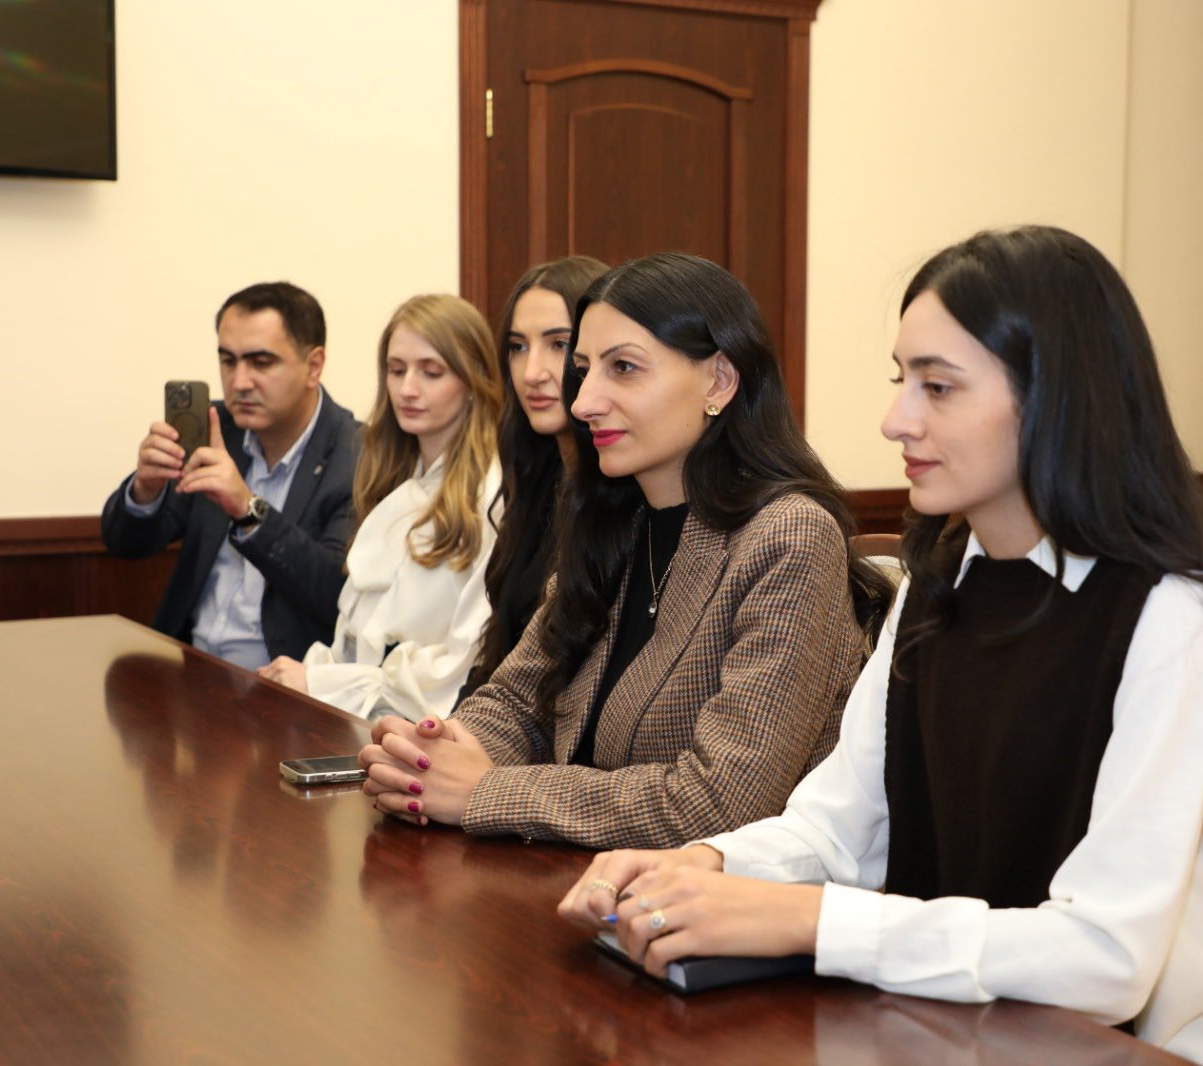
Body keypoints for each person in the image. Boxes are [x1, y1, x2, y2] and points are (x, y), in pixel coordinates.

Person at [557, 227, 1203, 1064]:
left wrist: (815, 920)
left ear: (1056, 398)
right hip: (973, 1032)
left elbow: (1107, 958)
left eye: (938, 387)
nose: (896, 420)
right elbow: (840, 830)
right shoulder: (939, 582)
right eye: (902, 381)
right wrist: (697, 863)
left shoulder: (1174, 611)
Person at [358, 253, 894, 849]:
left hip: (708, 898)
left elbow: (720, 802)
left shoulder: (788, 535)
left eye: (624, 368)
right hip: (580, 874)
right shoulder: (619, 518)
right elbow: (519, 699)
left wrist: (485, 791)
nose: (583, 401)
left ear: (719, 381)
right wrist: (432, 756)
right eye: (584, 369)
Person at [257, 295, 505, 719]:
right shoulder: (391, 482)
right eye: (396, 370)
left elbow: (459, 669)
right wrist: (309, 676)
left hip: (426, 731)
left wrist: (322, 683)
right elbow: (357, 637)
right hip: (354, 718)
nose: (407, 390)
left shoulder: (489, 498)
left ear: (473, 380)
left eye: (431, 372)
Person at [100, 282, 360, 668]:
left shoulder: (358, 455)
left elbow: (335, 596)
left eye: (261, 362)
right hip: (188, 668)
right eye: (228, 361)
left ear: (314, 366)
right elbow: (125, 544)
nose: (239, 382)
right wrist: (145, 490)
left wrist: (249, 511)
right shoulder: (216, 428)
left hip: (286, 685)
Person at [459, 256, 609, 703]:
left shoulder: (621, 497)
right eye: (518, 347)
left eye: (559, 344)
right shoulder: (536, 480)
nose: (532, 373)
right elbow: (499, 658)